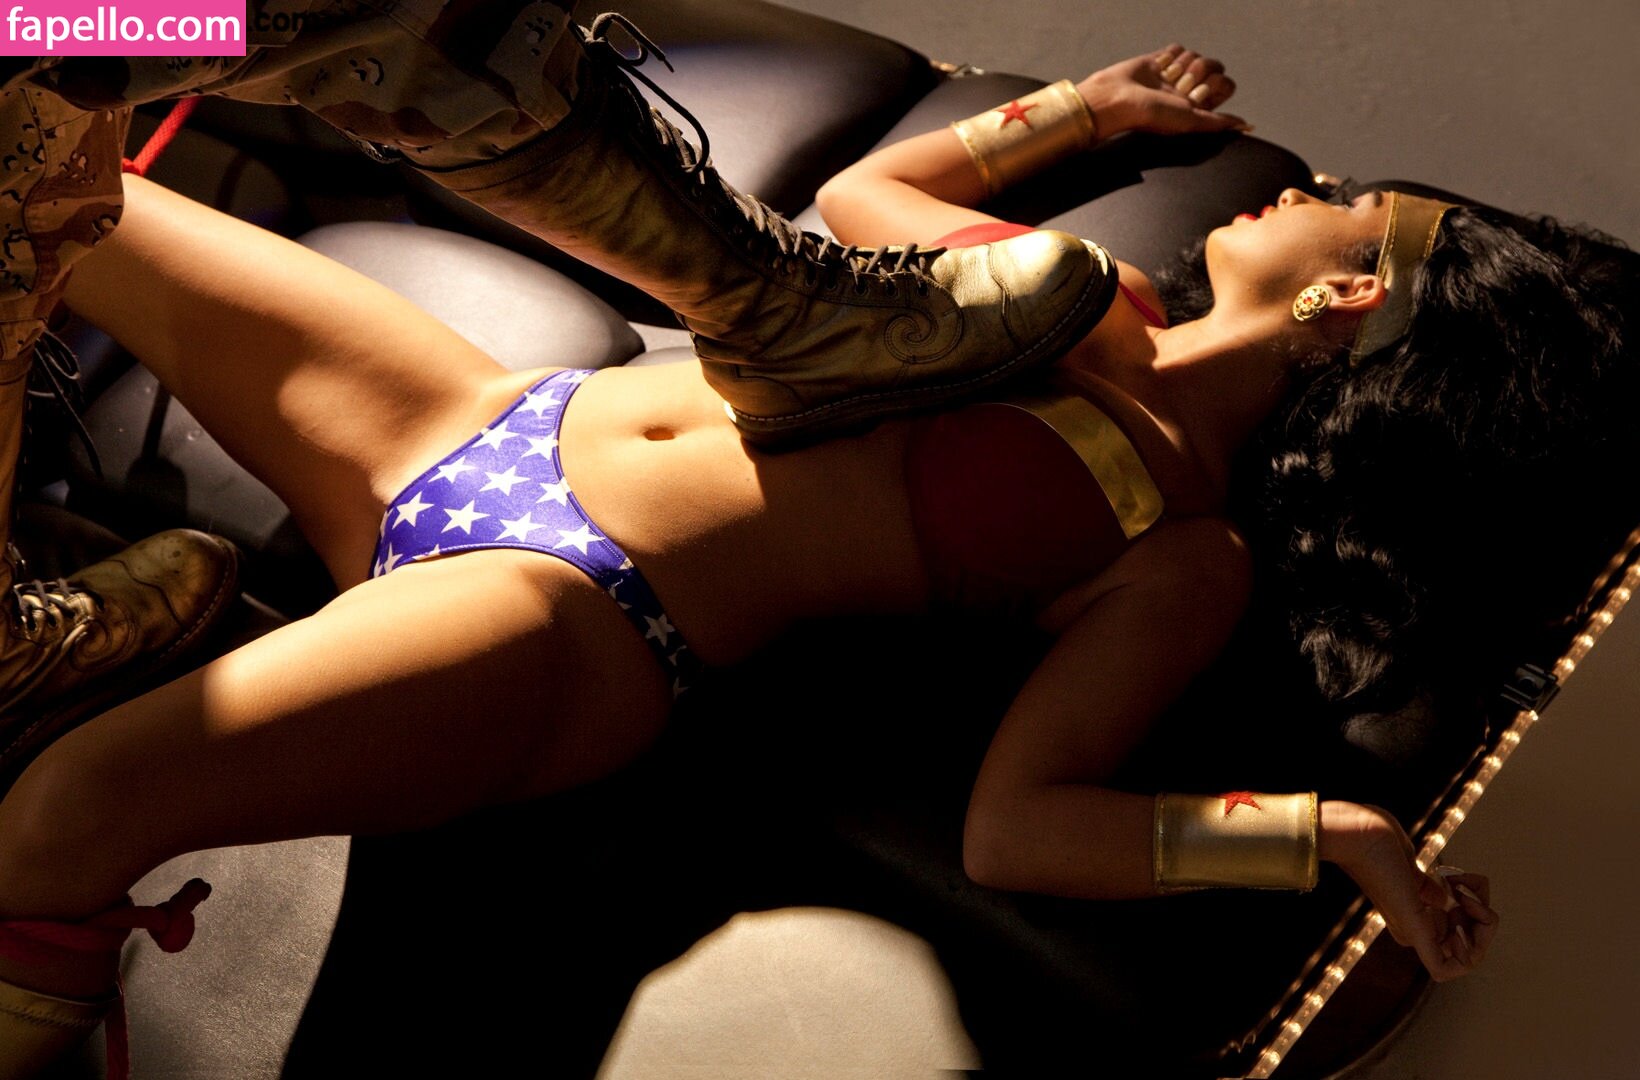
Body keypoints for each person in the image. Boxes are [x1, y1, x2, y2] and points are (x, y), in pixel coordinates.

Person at [0, 25, 1634, 1079]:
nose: (1303, 186)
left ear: (1349, 297)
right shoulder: (1099, 292)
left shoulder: (1181, 548)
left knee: (61, 817)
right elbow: (864, 195)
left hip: (570, 615)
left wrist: (1323, 833)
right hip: (474, 414)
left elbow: (1017, 828)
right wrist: (1085, 110)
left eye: (1340, 201)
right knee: (38, 152)